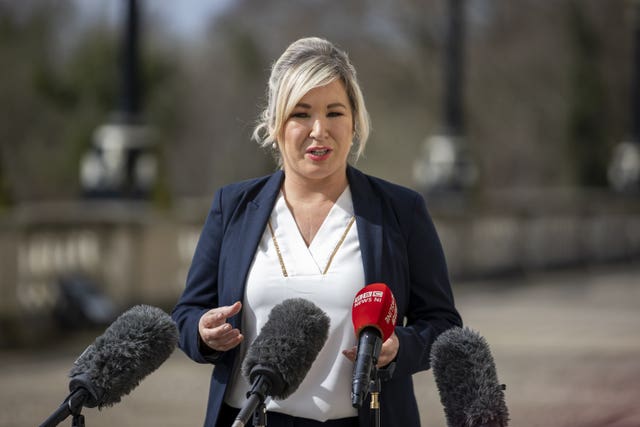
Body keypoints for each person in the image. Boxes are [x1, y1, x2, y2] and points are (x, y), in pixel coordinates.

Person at [172, 37, 462, 427]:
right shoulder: (233, 206)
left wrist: (398, 348)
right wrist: (204, 334)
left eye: (335, 112)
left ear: (355, 122)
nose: (319, 130)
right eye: (301, 113)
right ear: (276, 124)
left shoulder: (401, 211)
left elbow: (443, 325)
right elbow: (187, 315)